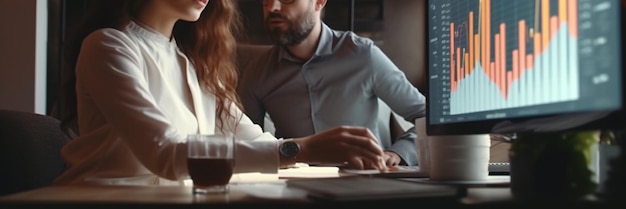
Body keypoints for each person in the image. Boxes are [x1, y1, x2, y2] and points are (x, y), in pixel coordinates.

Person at [53, 0, 387, 186]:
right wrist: (299, 149)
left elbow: (255, 140)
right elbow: (165, 154)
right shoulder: (109, 46)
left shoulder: (191, 61)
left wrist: (334, 162)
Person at [237, 0, 426, 166]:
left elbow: (427, 115)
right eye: (265, 0)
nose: (272, 7)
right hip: (295, 189)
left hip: (365, 181)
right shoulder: (257, 73)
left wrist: (398, 152)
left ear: (319, 2)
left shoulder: (363, 55)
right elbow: (245, 143)